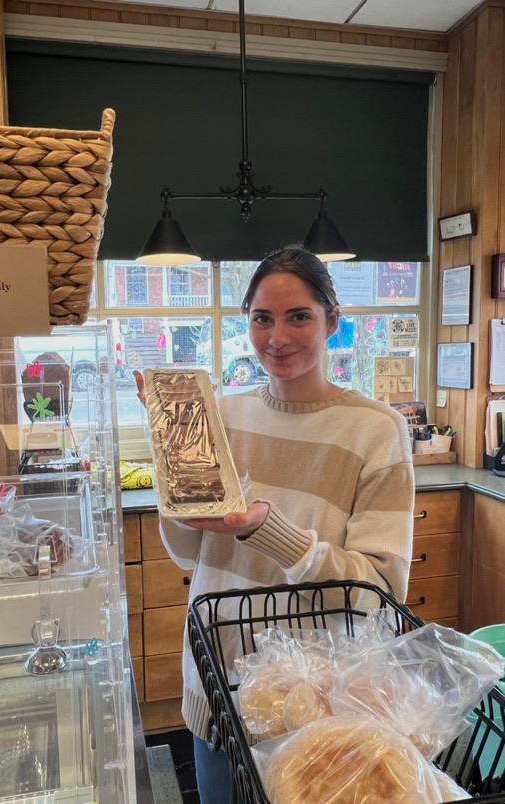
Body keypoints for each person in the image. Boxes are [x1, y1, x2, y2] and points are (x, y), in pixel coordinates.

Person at [134, 245, 414, 804]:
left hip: (317, 704)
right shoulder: (225, 415)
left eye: (299, 316)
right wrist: (174, 463)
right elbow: (191, 554)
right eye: (262, 318)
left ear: (333, 322)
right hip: (219, 683)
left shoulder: (376, 431)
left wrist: (268, 527)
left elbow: (381, 592)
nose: (277, 336)